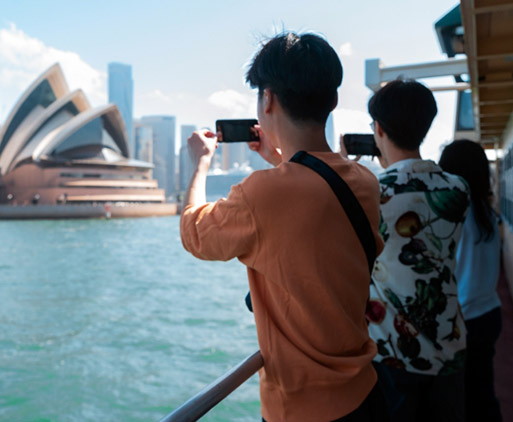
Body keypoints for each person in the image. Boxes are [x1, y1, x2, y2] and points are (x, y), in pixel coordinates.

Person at [180, 32, 387, 421]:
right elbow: (313, 200)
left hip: (301, 408)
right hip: (365, 393)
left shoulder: (262, 194)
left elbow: (194, 234)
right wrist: (278, 159)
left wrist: (200, 165)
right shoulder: (365, 181)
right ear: (332, 99)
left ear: (268, 98)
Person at [364, 79, 470, 421]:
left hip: (393, 353)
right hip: (449, 344)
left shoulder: (371, 194)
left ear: (378, 128)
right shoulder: (457, 187)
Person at [439, 139, 502, 421]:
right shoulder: (488, 212)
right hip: (489, 313)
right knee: (483, 390)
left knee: (459, 398)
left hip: (461, 321)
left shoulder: (453, 215)